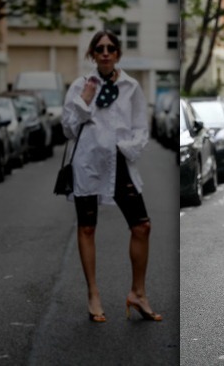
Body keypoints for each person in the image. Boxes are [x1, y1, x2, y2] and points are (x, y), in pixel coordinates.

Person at [61, 30, 162, 323]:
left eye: (111, 48)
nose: (105, 53)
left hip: (119, 163)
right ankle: (93, 293)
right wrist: (84, 101)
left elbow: (142, 128)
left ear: (118, 53)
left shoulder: (131, 86)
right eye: (99, 48)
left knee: (142, 226)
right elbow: (67, 129)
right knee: (88, 228)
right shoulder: (80, 86)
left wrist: (125, 148)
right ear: (92, 54)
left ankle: (138, 293)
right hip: (88, 165)